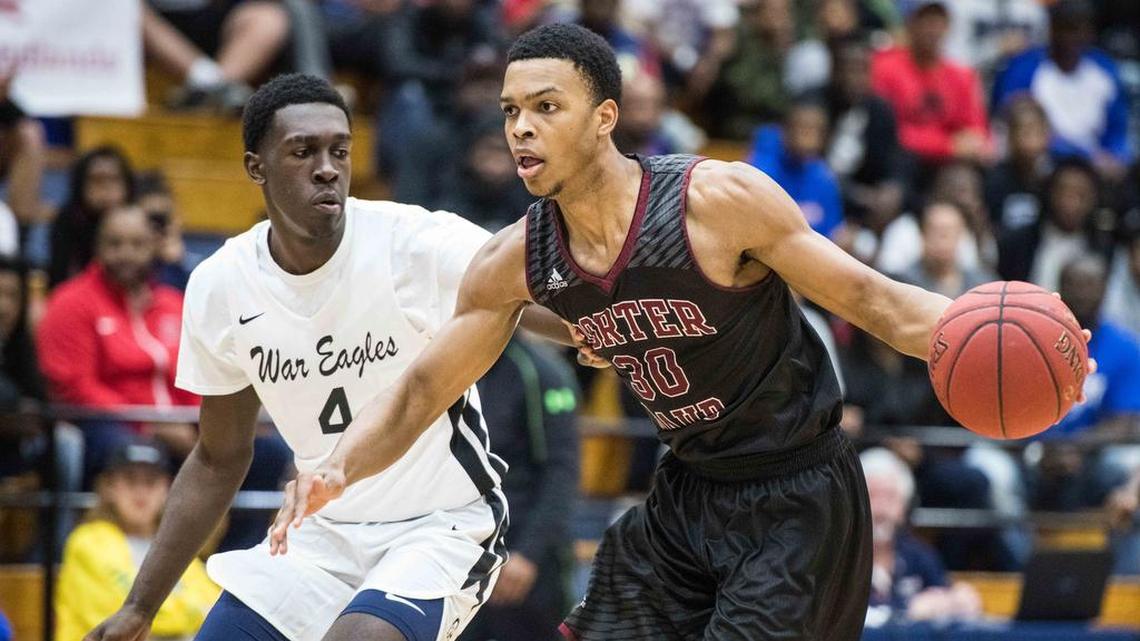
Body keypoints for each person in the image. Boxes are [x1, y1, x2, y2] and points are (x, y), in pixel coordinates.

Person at [270, 24, 1058, 641]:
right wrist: (336, 466)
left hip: (798, 497)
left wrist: (1002, 335)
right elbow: (421, 389)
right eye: (511, 111)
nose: (521, 129)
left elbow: (879, 303)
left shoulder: (715, 203)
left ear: (605, 118)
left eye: (546, 107)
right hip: (685, 493)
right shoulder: (516, 259)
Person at [84, 73, 570, 641]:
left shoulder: (410, 241)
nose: (327, 168)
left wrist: (599, 328)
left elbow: (525, 295)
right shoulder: (223, 283)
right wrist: (140, 607)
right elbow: (218, 459)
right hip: (321, 533)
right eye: (303, 151)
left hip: (441, 527)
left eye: (339, 150)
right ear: (256, 166)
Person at [38, 206, 200, 482]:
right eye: (114, 244)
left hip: (180, 424)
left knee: (262, 450)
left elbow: (197, 376)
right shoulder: (70, 302)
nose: (126, 254)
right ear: (97, 247)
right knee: (135, 452)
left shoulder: (174, 303)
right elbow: (75, 387)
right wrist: (149, 425)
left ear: (153, 247)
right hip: (107, 426)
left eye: (137, 244)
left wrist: (206, 424)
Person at [460, 336, 580, 641]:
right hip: (462, 550)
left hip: (524, 554)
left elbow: (561, 471)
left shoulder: (541, 371)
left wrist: (529, 553)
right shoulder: (452, 365)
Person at [56, 440, 219, 641]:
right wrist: (190, 614)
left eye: (151, 482)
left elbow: (212, 604)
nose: (141, 492)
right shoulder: (87, 542)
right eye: (130, 480)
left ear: (167, 489)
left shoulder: (173, 545)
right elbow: (127, 617)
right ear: (110, 487)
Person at [991, 0, 1132, 177]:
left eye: (1077, 30)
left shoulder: (1104, 70)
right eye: (1064, 29)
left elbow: (1117, 130)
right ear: (1052, 29)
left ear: (1089, 32)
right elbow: (1013, 123)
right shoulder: (1024, 68)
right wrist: (1082, 154)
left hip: (1095, 170)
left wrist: (1116, 157)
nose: (1070, 38)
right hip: (1038, 163)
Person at [860, 447, 981, 627]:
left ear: (903, 508)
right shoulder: (838, 558)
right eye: (872, 496)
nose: (881, 510)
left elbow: (945, 595)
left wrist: (957, 601)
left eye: (890, 498)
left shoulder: (918, 554)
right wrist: (908, 611)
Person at [870, 0, 991, 171]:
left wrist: (972, 145)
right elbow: (889, 132)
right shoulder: (885, 68)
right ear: (910, 24)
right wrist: (946, 145)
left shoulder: (961, 75)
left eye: (938, 21)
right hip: (900, 163)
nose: (932, 29)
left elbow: (976, 132)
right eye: (925, 21)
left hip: (947, 165)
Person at [142, 0, 292, 111]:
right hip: (155, 20)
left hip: (215, 16)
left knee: (268, 18)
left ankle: (210, 89)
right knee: (132, 10)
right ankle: (212, 85)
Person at [747, 98, 845, 240]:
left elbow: (834, 232)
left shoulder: (825, 179)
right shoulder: (762, 169)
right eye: (802, 127)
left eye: (815, 129)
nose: (808, 135)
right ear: (786, 130)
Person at [48, 146, 136, 288]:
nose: (106, 188)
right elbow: (61, 280)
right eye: (97, 180)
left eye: (114, 179)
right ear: (81, 185)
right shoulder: (67, 223)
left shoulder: (141, 222)